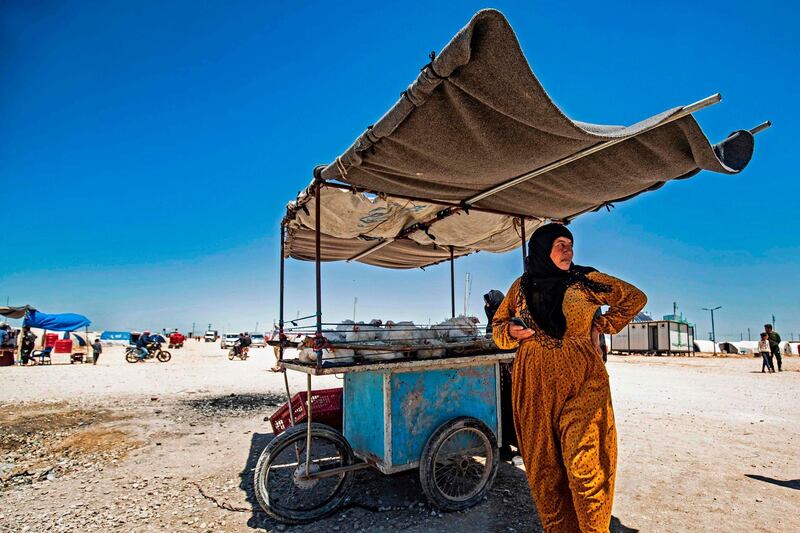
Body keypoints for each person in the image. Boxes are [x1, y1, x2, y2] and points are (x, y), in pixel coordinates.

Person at [492, 223, 646, 533]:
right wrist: (510, 331)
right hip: (534, 384)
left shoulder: (584, 281)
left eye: (570, 244)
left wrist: (602, 324)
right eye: (560, 244)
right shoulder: (520, 287)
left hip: (582, 379)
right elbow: (498, 329)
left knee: (585, 464)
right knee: (544, 470)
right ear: (542, 249)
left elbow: (634, 298)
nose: (568, 250)